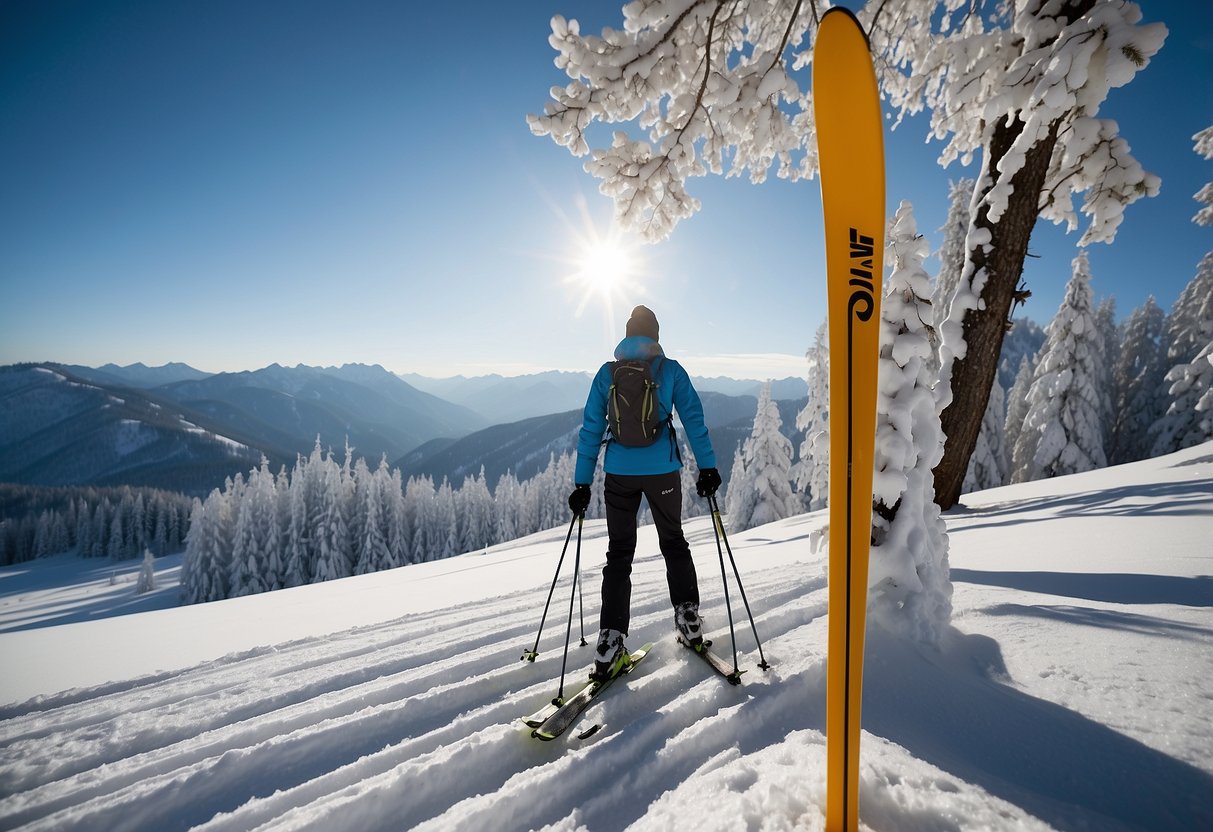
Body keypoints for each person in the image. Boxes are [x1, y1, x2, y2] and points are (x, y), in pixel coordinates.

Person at [568, 305, 722, 681]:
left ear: (626, 335)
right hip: (663, 472)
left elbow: (590, 429)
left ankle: (610, 641)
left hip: (619, 473)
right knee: (673, 541)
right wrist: (708, 467)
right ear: (655, 335)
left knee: (619, 553)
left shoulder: (608, 374)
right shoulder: (670, 370)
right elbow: (694, 420)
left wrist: (582, 482)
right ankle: (688, 619)